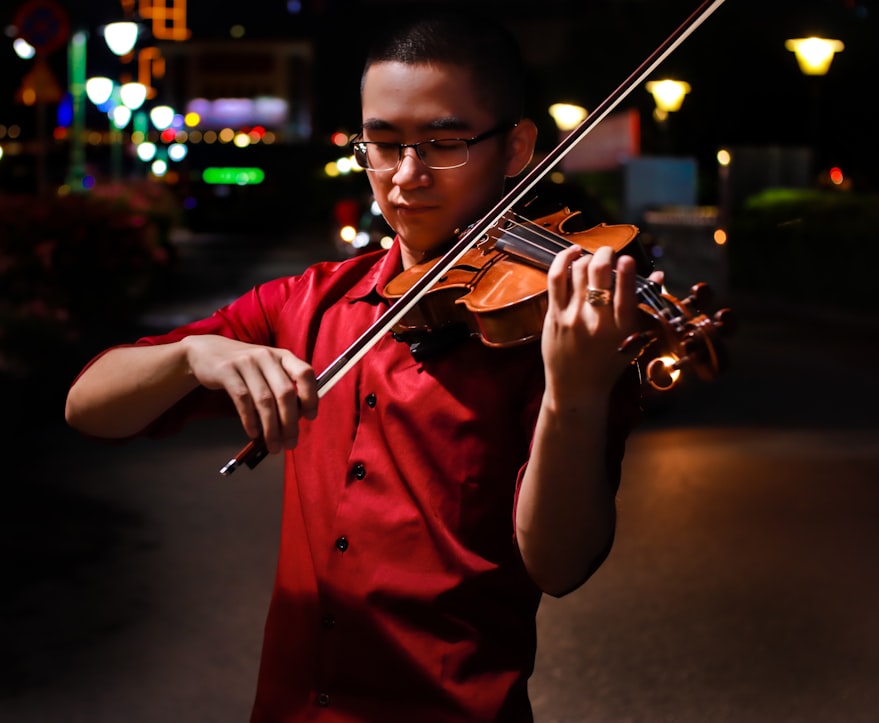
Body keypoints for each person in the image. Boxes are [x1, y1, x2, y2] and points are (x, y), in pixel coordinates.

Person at [66, 10, 655, 721]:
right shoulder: (310, 301)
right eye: (382, 145)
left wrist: (573, 395)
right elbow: (89, 406)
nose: (406, 178)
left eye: (444, 144)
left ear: (516, 147)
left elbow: (560, 567)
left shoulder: (558, 329)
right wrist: (193, 353)